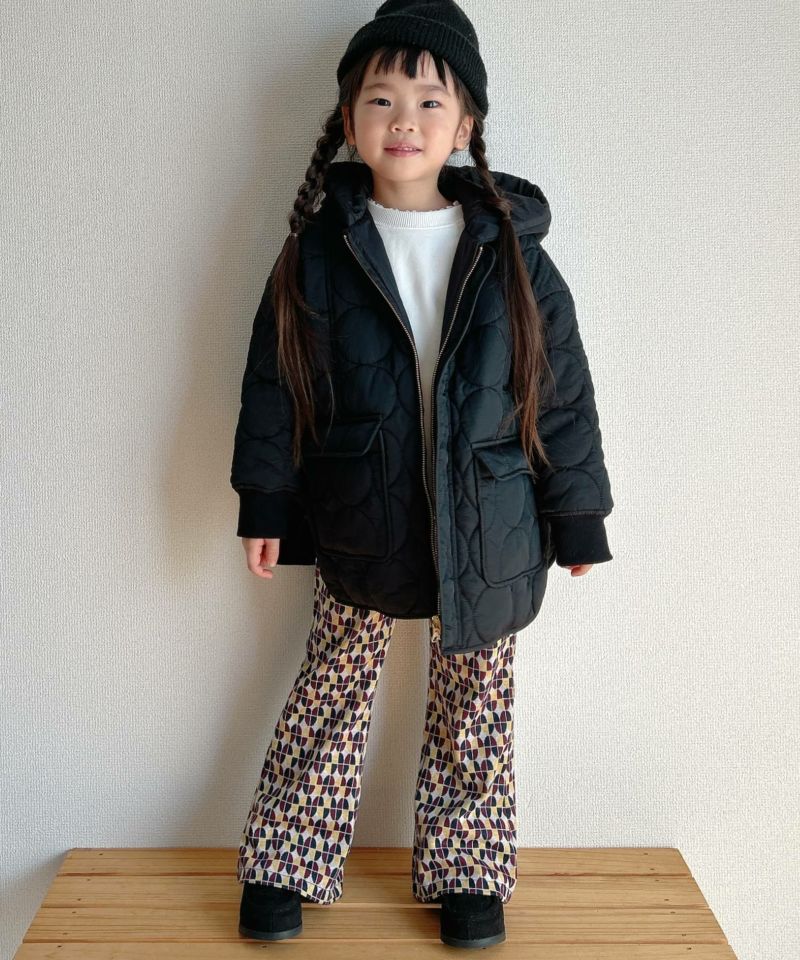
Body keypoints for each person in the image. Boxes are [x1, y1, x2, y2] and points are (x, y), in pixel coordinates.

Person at [230, 0, 614, 947]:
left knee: (473, 708)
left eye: (429, 101)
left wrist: (578, 514)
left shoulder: (515, 255)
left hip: (493, 525)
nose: (404, 119)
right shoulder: (318, 253)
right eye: (381, 99)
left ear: (465, 125)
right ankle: (287, 860)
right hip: (358, 512)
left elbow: (560, 395)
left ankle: (468, 873)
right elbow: (277, 384)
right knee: (331, 688)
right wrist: (266, 500)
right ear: (349, 121)